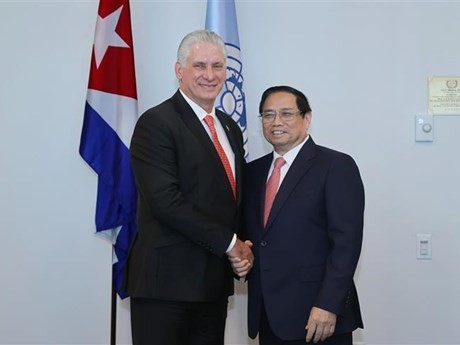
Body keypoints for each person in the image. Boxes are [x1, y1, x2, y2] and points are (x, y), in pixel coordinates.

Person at [123, 30, 253, 345]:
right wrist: (231, 243)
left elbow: (230, 199)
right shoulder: (157, 124)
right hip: (165, 286)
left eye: (218, 66)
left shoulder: (229, 127)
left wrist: (244, 248)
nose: (210, 75)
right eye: (199, 66)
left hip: (212, 287)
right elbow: (165, 201)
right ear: (179, 70)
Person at [244, 86, 364, 345]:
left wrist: (328, 305)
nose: (276, 122)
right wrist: (240, 258)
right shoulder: (252, 173)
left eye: (286, 113)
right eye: (268, 115)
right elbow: (255, 238)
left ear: (306, 118)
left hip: (318, 318)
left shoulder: (335, 166)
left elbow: (346, 244)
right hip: (268, 315)